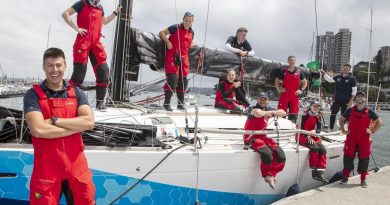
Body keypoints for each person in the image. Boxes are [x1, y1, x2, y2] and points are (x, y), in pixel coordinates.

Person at [24, 48, 95, 204]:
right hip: (46, 170)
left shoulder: (77, 93)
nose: (54, 70)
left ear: (65, 66)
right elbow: (38, 129)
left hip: (76, 168)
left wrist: (54, 121)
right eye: (50, 65)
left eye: (58, 65)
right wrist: (75, 127)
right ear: (44, 67)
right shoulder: (32, 95)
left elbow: (89, 123)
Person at [62, 0, 121, 111]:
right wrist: (76, 28)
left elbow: (105, 21)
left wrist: (115, 13)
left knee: (104, 72)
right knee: (79, 76)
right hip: (83, 42)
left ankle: (99, 104)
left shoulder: (100, 7)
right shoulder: (81, 4)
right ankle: (70, 103)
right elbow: (65, 14)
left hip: (96, 43)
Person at [243, 93, 287, 190]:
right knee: (267, 153)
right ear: (257, 100)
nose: (263, 101)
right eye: (261, 99)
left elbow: (283, 112)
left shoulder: (268, 109)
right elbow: (257, 113)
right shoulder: (252, 108)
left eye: (265, 99)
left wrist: (270, 112)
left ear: (267, 101)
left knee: (281, 154)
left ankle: (271, 174)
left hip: (263, 136)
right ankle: (266, 176)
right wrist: (266, 113)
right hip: (251, 136)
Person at [339, 91, 382, 188]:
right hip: (351, 137)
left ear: (365, 99)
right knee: (348, 157)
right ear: (355, 99)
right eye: (358, 96)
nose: (360, 97)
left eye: (362, 96)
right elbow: (341, 119)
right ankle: (345, 177)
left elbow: (379, 122)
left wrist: (372, 131)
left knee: (364, 159)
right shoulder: (350, 110)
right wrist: (343, 130)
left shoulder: (369, 111)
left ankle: (363, 179)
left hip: (364, 138)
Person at [159, 12, 195, 111]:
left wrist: (192, 44)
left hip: (184, 58)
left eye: (190, 21)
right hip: (173, 55)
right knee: (172, 80)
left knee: (183, 81)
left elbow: (188, 42)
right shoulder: (175, 27)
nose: (188, 22)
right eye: (186, 20)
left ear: (192, 22)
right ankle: (166, 104)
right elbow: (161, 33)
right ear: (183, 19)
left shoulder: (192, 32)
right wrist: (167, 41)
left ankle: (180, 104)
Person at [296, 101, 328, 183]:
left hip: (313, 135)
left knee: (323, 149)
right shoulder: (304, 115)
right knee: (314, 148)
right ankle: (314, 172)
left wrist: (315, 131)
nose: (316, 108)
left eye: (317, 107)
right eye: (314, 106)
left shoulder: (318, 116)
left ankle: (320, 172)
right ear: (310, 107)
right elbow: (300, 127)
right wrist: (308, 135)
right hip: (302, 135)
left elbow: (319, 128)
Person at [322, 64, 357, 131]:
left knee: (344, 115)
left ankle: (342, 129)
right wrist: (324, 73)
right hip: (337, 99)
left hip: (347, 100)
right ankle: (331, 128)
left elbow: (354, 91)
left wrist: (351, 101)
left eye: (347, 69)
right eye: (344, 68)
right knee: (333, 113)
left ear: (349, 70)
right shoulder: (338, 77)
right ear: (342, 68)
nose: (345, 70)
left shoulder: (352, 78)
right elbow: (330, 80)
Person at [274, 56, 307, 123]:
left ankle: (291, 129)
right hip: (284, 95)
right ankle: (281, 128)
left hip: (294, 96)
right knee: (281, 113)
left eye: (293, 60)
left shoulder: (298, 71)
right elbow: (276, 80)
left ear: (295, 61)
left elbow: (305, 82)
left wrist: (301, 90)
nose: (291, 61)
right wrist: (279, 89)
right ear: (288, 61)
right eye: (290, 60)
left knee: (293, 115)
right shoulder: (283, 71)